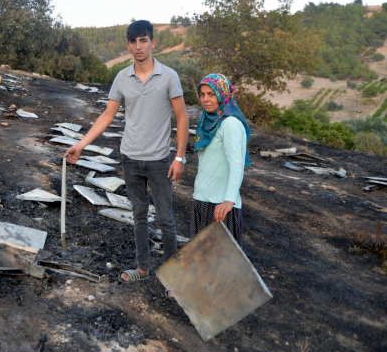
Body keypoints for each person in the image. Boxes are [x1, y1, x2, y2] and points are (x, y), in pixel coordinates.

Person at [63, 20, 189, 285]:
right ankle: (142, 268)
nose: (138, 46)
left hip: (159, 160)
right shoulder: (122, 77)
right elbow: (107, 116)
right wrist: (81, 144)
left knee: (166, 218)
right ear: (128, 45)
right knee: (139, 215)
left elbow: (181, 117)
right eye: (133, 41)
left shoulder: (169, 76)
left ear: (153, 43)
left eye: (143, 40)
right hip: (130, 158)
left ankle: (173, 278)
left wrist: (179, 157)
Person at [192, 73, 251, 247]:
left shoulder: (230, 124)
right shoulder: (206, 122)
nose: (206, 99)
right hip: (203, 199)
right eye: (202, 94)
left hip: (220, 205)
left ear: (223, 95)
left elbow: (237, 165)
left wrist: (229, 201)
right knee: (200, 263)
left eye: (211, 94)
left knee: (220, 267)